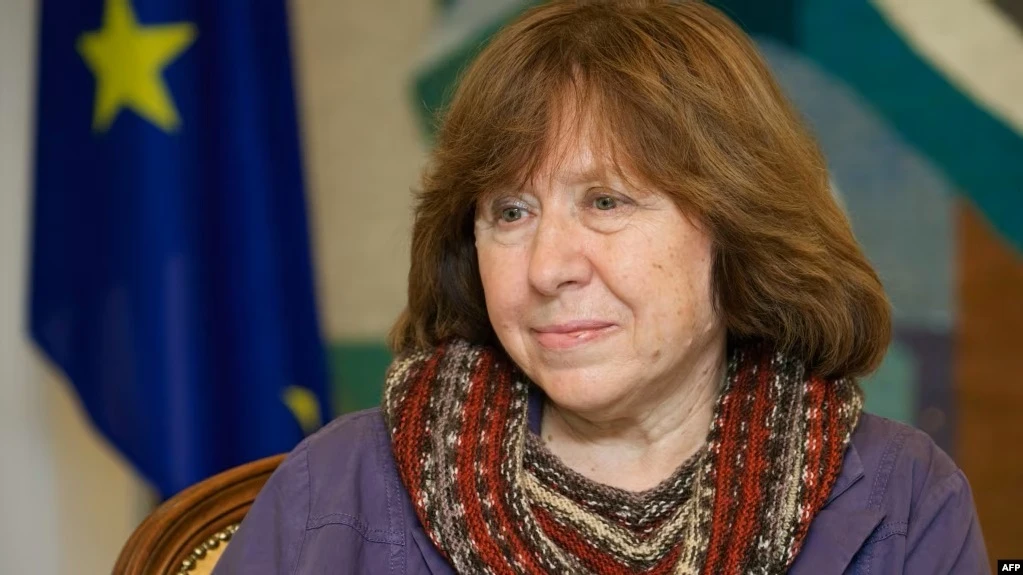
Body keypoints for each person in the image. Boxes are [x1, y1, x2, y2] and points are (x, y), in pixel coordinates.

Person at [213, 1, 989, 573]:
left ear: (737, 226)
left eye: (606, 201)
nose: (547, 266)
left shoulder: (905, 499)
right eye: (509, 212)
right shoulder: (332, 490)